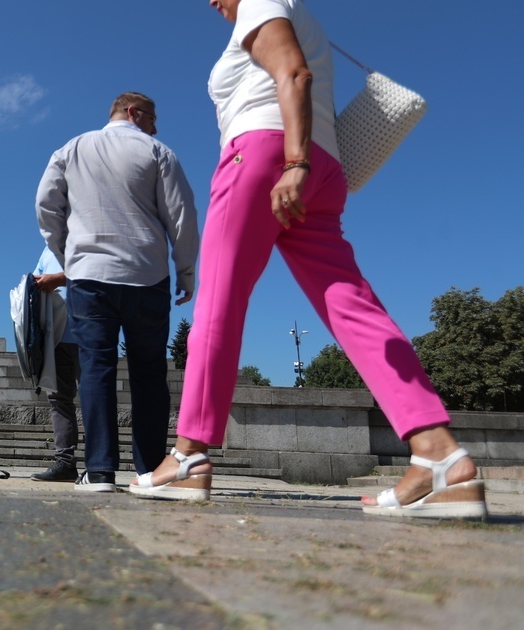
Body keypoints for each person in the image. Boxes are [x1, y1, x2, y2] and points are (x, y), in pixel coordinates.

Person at [131, 0, 488, 520]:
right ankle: (440, 455)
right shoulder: (302, 15)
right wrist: (303, 161)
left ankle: (187, 457)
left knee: (219, 303)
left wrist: (293, 161)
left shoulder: (260, 1)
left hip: (263, 156)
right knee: (352, 304)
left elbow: (292, 73)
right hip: (325, 168)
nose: (209, 1)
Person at [37, 93, 200, 492]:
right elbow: (181, 214)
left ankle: (100, 471)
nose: (156, 127)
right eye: (152, 118)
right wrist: (186, 271)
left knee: (96, 369)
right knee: (149, 373)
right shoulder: (158, 151)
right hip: (147, 275)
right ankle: (149, 471)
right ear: (133, 113)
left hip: (90, 277)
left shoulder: (71, 149)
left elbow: (45, 205)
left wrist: (67, 256)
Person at [29, 247, 81, 483]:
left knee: (97, 398)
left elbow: (102, 272)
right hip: (56, 336)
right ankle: (65, 462)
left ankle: (102, 464)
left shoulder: (87, 234)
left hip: (88, 332)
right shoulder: (48, 250)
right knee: (59, 400)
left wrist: (59, 279)